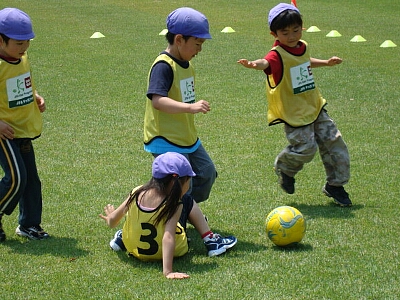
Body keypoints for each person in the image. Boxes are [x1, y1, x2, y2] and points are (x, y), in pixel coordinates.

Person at [237, 3, 352, 206]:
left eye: (296, 30)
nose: (291, 36)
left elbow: (304, 61)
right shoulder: (276, 55)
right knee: (306, 148)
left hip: (315, 106)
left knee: (336, 144)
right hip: (294, 114)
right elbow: (266, 63)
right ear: (274, 34)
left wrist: (326, 62)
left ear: (302, 27)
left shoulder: (303, 45)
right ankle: (285, 168)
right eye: (285, 32)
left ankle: (335, 185)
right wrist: (255, 65)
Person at [99, 152, 237, 279]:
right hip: (174, 250)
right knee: (187, 200)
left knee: (136, 217)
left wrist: (110, 216)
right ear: (175, 182)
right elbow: (168, 235)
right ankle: (210, 240)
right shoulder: (176, 204)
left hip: (135, 251)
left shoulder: (137, 192)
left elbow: (112, 221)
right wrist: (168, 271)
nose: (188, 185)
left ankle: (122, 237)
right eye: (188, 181)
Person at [143, 7, 217, 204]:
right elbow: (158, 101)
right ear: (178, 40)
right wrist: (191, 108)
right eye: (197, 44)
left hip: (186, 137)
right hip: (165, 138)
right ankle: (176, 219)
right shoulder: (163, 66)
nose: (199, 50)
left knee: (207, 173)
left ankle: (185, 212)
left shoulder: (187, 64)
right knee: (182, 186)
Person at [0, 7, 49, 241]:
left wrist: (35, 95)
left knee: (30, 179)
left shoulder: (21, 58)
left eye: (27, 42)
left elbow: (24, 81)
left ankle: (29, 224)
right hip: (4, 131)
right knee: (16, 177)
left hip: (23, 127)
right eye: (18, 43)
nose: (24, 48)